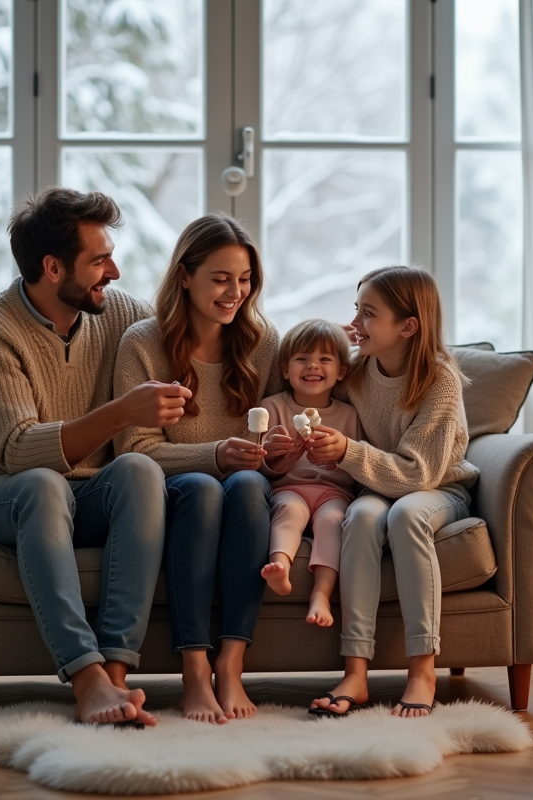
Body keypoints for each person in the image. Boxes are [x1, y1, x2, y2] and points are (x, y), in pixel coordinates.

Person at [0, 187, 192, 726]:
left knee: (140, 470)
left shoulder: (118, 312)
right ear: (53, 268)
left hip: (85, 491)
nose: (116, 272)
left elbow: (189, 337)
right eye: (99, 261)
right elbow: (19, 451)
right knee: (42, 483)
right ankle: (84, 676)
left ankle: (116, 679)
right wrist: (122, 411)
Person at [114, 212, 281, 724]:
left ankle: (230, 664)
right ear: (184, 275)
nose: (236, 292)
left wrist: (278, 448)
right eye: (222, 278)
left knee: (250, 482)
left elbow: (284, 419)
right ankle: (193, 670)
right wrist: (214, 455)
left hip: (247, 490)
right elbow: (134, 448)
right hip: (173, 491)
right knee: (205, 487)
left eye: (246, 279)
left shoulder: (263, 342)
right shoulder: (143, 343)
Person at [305, 266, 478, 719]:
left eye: (368, 314)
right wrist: (337, 345)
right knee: (360, 517)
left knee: (407, 516)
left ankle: (422, 669)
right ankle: (355, 671)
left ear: (408, 326)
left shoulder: (440, 381)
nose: (357, 323)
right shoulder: (359, 370)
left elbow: (418, 475)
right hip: (378, 488)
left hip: (437, 487)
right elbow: (309, 369)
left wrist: (348, 451)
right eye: (355, 312)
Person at [257, 319, 361, 627]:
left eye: (324, 359)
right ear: (286, 369)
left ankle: (322, 593)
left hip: (334, 493)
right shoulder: (272, 408)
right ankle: (279, 568)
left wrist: (335, 459)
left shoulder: (349, 414)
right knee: (289, 509)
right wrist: (278, 457)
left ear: (341, 372)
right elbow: (262, 465)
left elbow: (356, 466)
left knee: (332, 521)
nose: (312, 366)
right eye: (302, 359)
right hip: (290, 488)